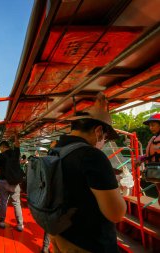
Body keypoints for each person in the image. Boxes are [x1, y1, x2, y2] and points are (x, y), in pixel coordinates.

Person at [49, 93, 126, 252]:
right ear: (98, 131)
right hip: (88, 243)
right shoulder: (92, 156)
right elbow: (116, 214)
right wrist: (116, 187)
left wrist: (98, 112)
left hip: (59, 236)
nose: (104, 142)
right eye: (105, 137)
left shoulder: (55, 150)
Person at [0, 135, 24, 232]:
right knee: (16, 203)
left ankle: (2, 222)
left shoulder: (1, 155)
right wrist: (16, 135)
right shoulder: (16, 152)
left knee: (3, 202)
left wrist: (2, 169)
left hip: (4, 181)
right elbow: (17, 145)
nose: (0, 150)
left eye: (0, 148)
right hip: (15, 183)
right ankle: (20, 224)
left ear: (3, 147)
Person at [139, 113, 160, 204]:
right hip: (156, 172)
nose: (151, 127)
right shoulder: (154, 138)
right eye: (150, 126)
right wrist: (141, 159)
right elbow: (151, 155)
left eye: (153, 125)